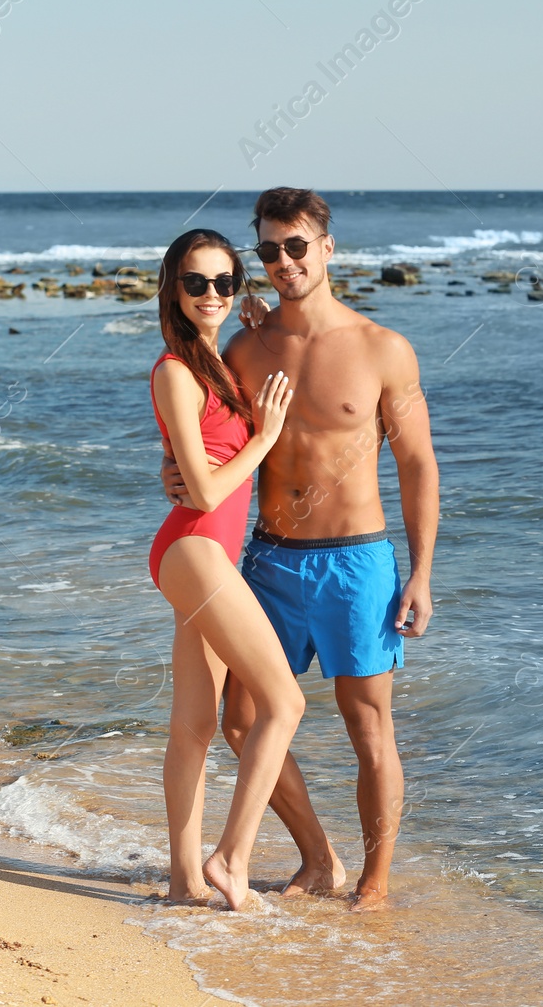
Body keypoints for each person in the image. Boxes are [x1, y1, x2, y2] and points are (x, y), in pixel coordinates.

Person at [164, 188, 439, 911]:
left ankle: (375, 884)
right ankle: (319, 857)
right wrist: (173, 473)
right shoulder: (245, 348)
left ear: (326, 247)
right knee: (240, 719)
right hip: (269, 559)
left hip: (358, 560)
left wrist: (422, 573)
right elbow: (206, 440)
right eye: (268, 250)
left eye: (296, 245)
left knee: (366, 721)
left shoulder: (384, 349)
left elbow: (418, 464)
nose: (283, 260)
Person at [147, 228, 305, 911]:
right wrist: (265, 438)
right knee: (284, 702)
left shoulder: (218, 364)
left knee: (194, 726)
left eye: (223, 281)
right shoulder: (175, 371)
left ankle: (184, 882)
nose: (210, 294)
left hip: (202, 553)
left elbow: (206, 460)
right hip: (194, 548)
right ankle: (231, 859)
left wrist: (261, 323)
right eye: (195, 282)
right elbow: (208, 491)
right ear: (172, 291)